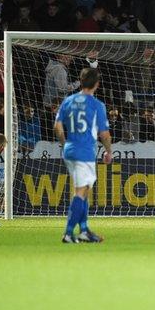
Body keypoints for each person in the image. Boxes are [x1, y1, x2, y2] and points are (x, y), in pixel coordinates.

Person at [54, 68, 112, 243]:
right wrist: (109, 151)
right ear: (97, 84)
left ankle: (84, 230)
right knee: (81, 192)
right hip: (84, 152)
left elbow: (57, 126)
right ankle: (68, 233)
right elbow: (104, 134)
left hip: (70, 150)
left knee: (84, 190)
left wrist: (65, 144)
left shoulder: (68, 100)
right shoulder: (96, 105)